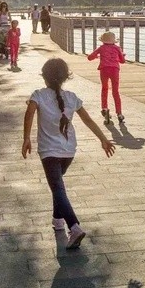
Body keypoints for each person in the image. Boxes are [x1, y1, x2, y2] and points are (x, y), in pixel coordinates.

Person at [22, 57, 115, 249]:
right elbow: (88, 121)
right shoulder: (72, 97)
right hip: (69, 151)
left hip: (49, 151)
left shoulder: (38, 95)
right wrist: (103, 139)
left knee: (57, 187)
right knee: (58, 186)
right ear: (65, 77)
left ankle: (74, 227)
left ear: (44, 77)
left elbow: (29, 114)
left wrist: (26, 138)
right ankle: (57, 220)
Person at [88, 31, 127, 127]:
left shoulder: (101, 48)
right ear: (114, 41)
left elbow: (90, 57)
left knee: (104, 89)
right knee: (115, 91)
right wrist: (120, 57)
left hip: (104, 70)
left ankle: (105, 108)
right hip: (114, 70)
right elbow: (122, 61)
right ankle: (119, 113)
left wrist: (97, 56)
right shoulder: (117, 48)